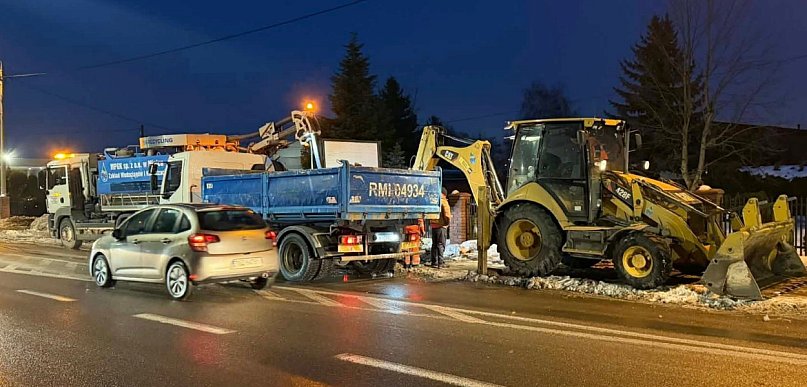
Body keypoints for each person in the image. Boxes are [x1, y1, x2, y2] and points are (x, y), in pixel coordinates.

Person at [431, 187, 452, 268]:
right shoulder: (443, 201)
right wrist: (447, 223)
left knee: (434, 245)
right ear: (445, 193)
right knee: (441, 245)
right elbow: (447, 214)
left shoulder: (434, 200)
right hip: (441, 226)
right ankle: (441, 263)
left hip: (434, 226)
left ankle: (434, 262)